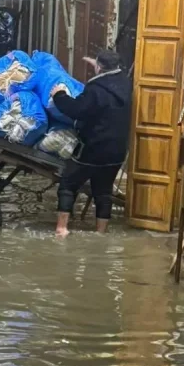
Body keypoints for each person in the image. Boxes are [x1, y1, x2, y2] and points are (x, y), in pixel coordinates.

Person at [49, 50, 133, 236]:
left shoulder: (95, 90)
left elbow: (77, 109)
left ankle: (61, 229)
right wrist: (97, 64)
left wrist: (59, 95)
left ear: (99, 68)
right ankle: (101, 232)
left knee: (68, 184)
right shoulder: (127, 85)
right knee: (103, 191)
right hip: (117, 151)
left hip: (94, 148)